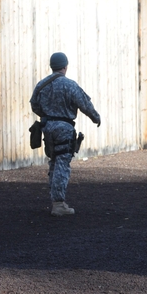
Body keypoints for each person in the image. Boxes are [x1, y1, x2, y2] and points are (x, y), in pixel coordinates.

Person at [30, 52, 101, 216]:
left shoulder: (41, 85)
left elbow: (34, 104)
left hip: (47, 128)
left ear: (52, 66)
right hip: (64, 128)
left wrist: (46, 115)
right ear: (65, 66)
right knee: (62, 163)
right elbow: (85, 104)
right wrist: (95, 118)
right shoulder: (70, 85)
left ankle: (56, 200)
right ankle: (59, 204)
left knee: (54, 162)